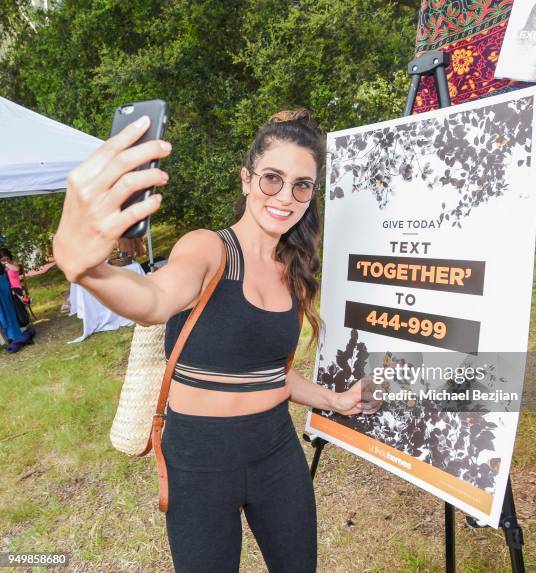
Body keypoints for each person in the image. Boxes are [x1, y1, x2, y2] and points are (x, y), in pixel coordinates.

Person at [52, 108, 383, 572]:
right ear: (247, 179)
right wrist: (87, 269)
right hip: (198, 459)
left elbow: (275, 374)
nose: (285, 197)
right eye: (272, 178)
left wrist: (335, 400)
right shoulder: (207, 247)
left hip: (275, 450)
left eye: (301, 186)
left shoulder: (294, 270)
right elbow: (154, 300)